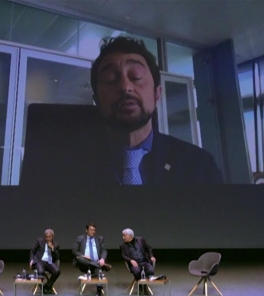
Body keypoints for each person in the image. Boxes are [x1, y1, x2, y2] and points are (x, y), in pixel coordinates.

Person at [91, 36, 223, 185]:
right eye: (110, 79)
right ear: (97, 100)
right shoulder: (69, 168)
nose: (125, 87)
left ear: (157, 94)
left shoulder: (199, 165)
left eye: (136, 77)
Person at [72, 222, 111, 296]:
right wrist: (83, 255)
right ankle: (97, 264)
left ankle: (99, 291)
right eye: (91, 230)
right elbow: (74, 251)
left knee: (98, 269)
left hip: (97, 262)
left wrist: (102, 259)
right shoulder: (80, 238)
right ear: (86, 230)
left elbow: (104, 250)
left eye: (94, 230)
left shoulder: (100, 239)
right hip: (84, 264)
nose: (93, 232)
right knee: (79, 258)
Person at [119, 228, 156, 295]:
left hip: (144, 261)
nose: (123, 237)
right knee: (137, 272)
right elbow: (123, 256)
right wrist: (130, 260)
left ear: (130, 236)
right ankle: (142, 287)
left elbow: (148, 248)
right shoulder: (123, 246)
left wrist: (151, 256)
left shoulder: (140, 240)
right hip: (134, 264)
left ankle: (143, 286)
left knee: (151, 270)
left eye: (124, 236)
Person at [29, 229, 61, 294]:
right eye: (46, 237)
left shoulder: (56, 244)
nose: (48, 239)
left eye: (49, 237)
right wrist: (31, 260)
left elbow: (57, 257)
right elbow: (32, 251)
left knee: (57, 271)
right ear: (44, 237)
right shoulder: (39, 241)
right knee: (41, 271)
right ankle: (42, 288)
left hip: (49, 262)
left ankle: (46, 287)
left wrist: (52, 248)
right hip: (39, 261)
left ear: (53, 237)